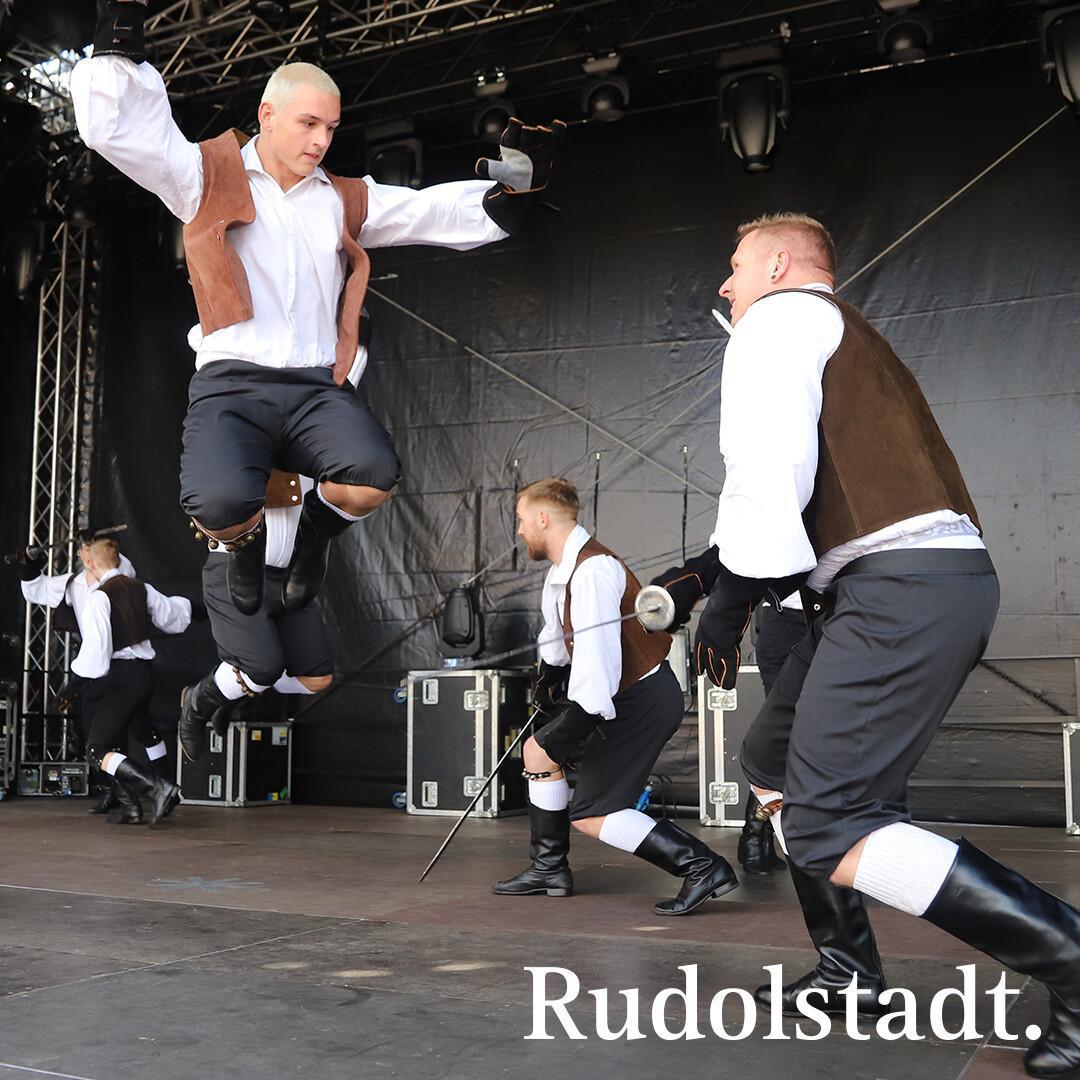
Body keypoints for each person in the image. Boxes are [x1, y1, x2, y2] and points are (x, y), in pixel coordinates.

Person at [656, 212, 1076, 1077]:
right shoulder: (843, 332)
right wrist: (714, 578)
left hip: (899, 590)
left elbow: (766, 477)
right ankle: (850, 970)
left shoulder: (777, 319)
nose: (726, 286)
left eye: (736, 266)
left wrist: (727, 604)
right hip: (904, 585)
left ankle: (1071, 959)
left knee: (828, 820)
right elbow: (815, 491)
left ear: (778, 263)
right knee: (773, 762)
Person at [72, 0, 566, 616]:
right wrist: (117, 50)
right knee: (217, 504)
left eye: (330, 128)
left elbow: (424, 210)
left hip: (312, 388)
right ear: (267, 115)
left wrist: (504, 198)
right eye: (309, 124)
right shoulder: (202, 175)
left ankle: (313, 537)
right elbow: (123, 134)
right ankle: (245, 548)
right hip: (232, 384)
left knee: (373, 475)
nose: (321, 140)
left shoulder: (341, 198)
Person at [493, 478, 738, 915]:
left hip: (640, 698)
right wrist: (549, 680)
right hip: (621, 695)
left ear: (543, 518)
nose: (520, 530)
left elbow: (597, 654)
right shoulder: (563, 571)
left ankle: (703, 867)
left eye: (522, 520)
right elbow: (557, 639)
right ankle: (549, 868)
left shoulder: (592, 571)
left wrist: (578, 718)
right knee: (537, 752)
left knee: (593, 813)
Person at [177, 469, 334, 761]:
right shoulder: (244, 449)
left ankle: (232, 691)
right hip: (235, 571)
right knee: (262, 668)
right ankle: (196, 704)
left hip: (291, 579)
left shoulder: (314, 452)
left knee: (317, 678)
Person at [17, 532, 171, 817]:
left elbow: (116, 567)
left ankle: (160, 786)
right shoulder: (73, 584)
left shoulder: (118, 582)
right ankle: (126, 797)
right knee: (100, 735)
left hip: (114, 668)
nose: (83, 554)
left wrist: (72, 687)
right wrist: (28, 565)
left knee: (124, 736)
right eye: (82, 549)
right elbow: (36, 589)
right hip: (100, 670)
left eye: (88, 549)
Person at [56, 538, 192, 825]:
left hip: (122, 678)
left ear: (90, 564)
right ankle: (147, 797)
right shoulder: (141, 587)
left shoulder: (99, 598)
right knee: (145, 730)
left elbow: (96, 652)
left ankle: (159, 788)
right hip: (145, 675)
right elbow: (174, 617)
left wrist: (71, 688)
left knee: (97, 749)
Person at [734, 593, 805, 875]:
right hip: (789, 621)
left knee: (796, 739)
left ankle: (756, 838)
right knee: (785, 737)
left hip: (828, 622)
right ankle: (754, 836)